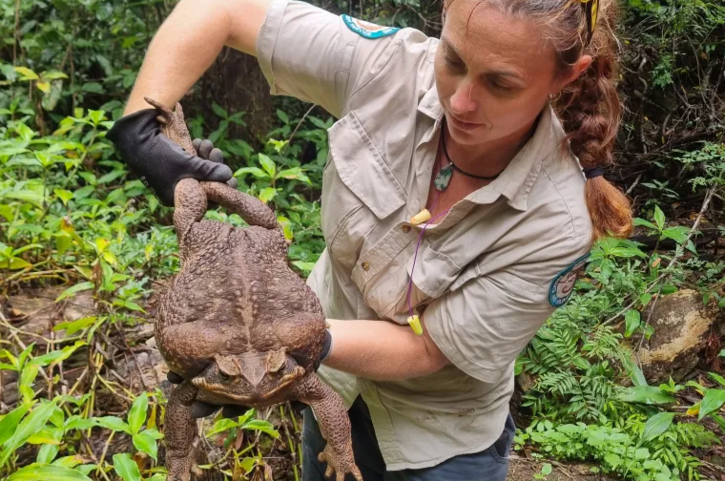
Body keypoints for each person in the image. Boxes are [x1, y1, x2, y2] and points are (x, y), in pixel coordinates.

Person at [107, 0, 633, 478]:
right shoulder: (389, 68)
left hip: (439, 440)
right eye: (452, 60)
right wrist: (142, 132)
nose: (462, 100)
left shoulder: (558, 221)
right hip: (332, 392)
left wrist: (286, 345)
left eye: (501, 84)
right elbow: (221, 9)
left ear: (566, 78)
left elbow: (429, 349)